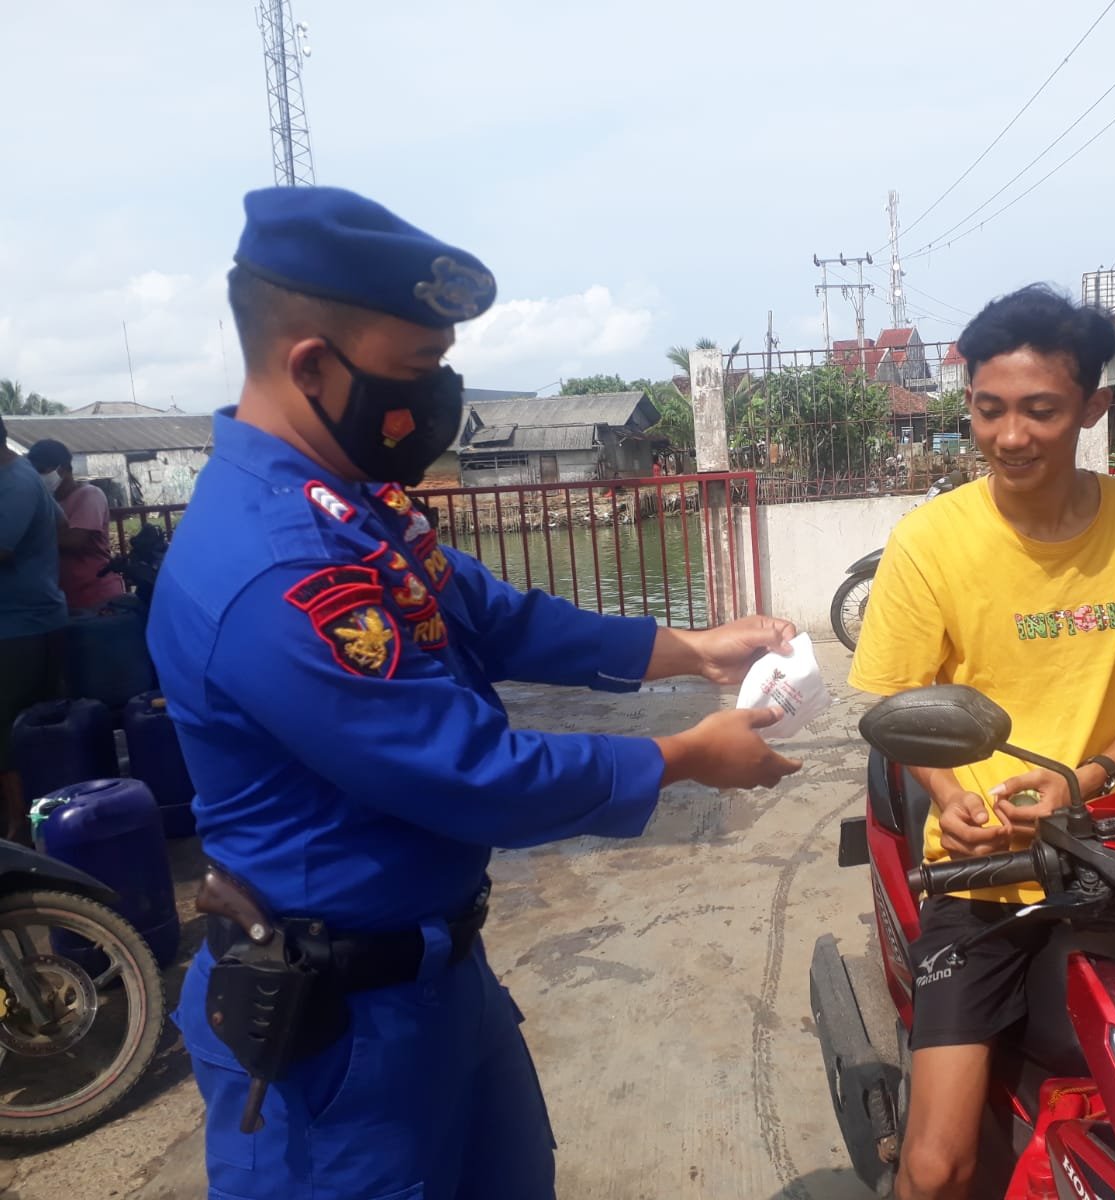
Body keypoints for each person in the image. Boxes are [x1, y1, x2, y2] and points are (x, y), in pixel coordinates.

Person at [146, 186, 803, 1199]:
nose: (441, 397)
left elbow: (492, 616)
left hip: (438, 985)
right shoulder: (270, 567)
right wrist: (681, 759)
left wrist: (691, 648)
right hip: (333, 1040)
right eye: (419, 370)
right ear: (312, 365)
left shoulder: (350, 509)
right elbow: (467, 773)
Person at [848, 284, 1115, 1200]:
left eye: (1040, 411)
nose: (1010, 436)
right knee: (937, 1165)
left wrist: (1087, 781)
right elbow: (905, 698)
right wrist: (950, 801)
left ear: (1092, 410)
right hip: (981, 877)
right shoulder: (931, 541)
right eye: (989, 410)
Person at [0, 414, 68, 841]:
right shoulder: (23, 477)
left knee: (7, 730)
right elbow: (59, 521)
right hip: (32, 617)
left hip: (21, 626)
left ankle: (19, 827)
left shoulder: (15, 483)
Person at [25, 438, 125, 611]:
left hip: (96, 594)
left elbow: (75, 540)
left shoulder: (89, 495)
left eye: (42, 471)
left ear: (62, 469)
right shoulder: (46, 501)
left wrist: (24, 538)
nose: (38, 477)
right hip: (64, 598)